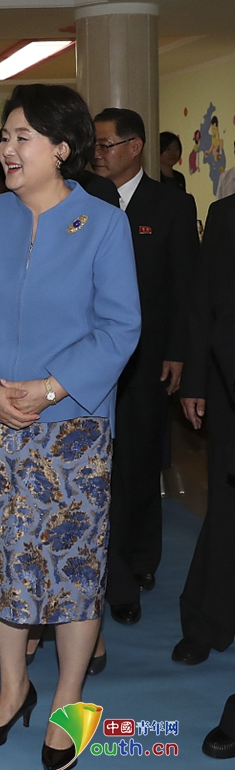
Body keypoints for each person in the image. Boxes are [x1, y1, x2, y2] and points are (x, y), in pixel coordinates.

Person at [0, 84, 140, 770]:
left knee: (72, 568)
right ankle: (11, 689)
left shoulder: (101, 223)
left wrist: (53, 386)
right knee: (0, 563)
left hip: (72, 427)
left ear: (61, 148)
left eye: (22, 136)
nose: (7, 149)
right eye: (4, 136)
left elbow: (120, 326)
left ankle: (68, 701)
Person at [92, 108, 199, 630]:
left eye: (106, 144)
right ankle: (112, 574)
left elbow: (185, 286)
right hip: (91, 359)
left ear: (134, 147)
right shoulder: (82, 200)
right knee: (101, 469)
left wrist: (178, 351)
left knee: (139, 463)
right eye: (94, 145)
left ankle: (141, 559)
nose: (98, 154)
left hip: (147, 358)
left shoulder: (171, 204)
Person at [171, 193, 235, 667]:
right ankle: (206, 621)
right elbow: (202, 303)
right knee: (228, 509)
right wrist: (194, 382)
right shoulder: (226, 215)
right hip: (228, 385)